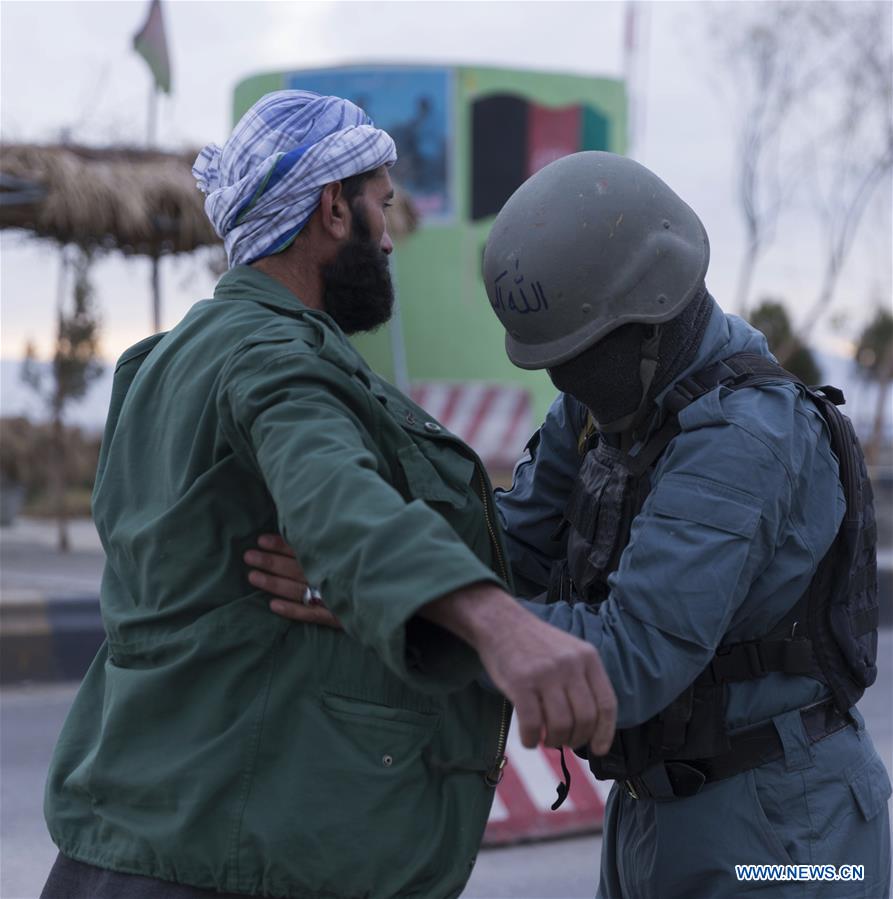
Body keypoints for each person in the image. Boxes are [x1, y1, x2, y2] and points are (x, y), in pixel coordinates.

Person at [250, 151, 891, 898]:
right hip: (654, 810)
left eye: (582, 358)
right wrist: (366, 555)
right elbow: (504, 546)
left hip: (784, 832)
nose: (567, 383)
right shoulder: (608, 402)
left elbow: (630, 655)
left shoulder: (744, 435)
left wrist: (406, 605)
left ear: (646, 317)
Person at [39, 93, 617, 899]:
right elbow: (339, 502)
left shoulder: (162, 362)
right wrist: (501, 627)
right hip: (222, 859)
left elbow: (242, 570)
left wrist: (351, 591)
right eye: (379, 205)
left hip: (122, 841)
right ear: (329, 208)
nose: (387, 236)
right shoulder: (274, 358)